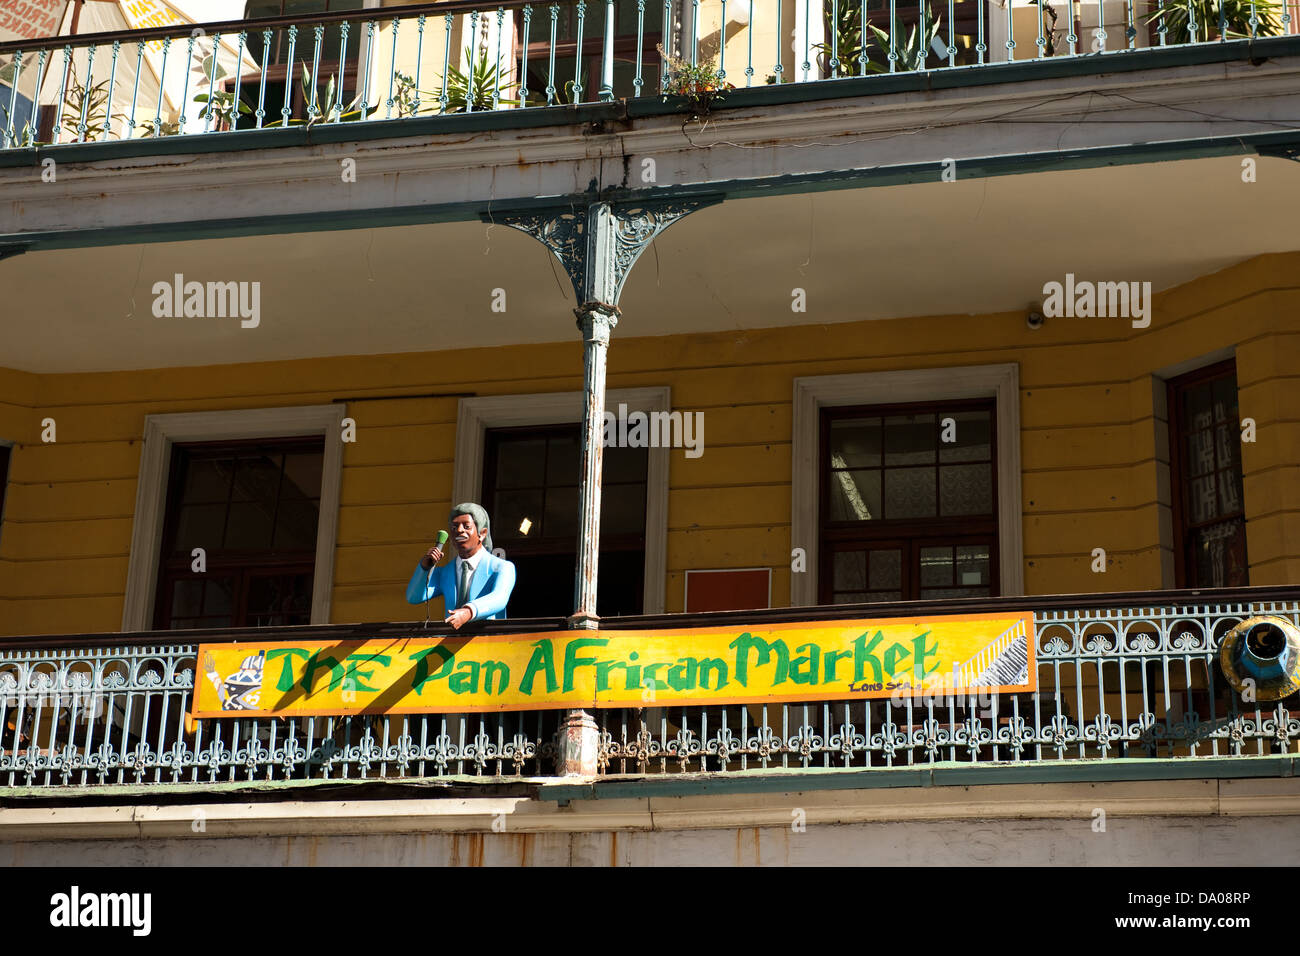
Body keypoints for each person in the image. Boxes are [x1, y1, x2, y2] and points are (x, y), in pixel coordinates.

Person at [405, 502, 516, 628]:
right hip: (452, 639)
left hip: (487, 638)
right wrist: (425, 567)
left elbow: (499, 598)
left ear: (482, 533)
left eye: (467, 526)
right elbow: (414, 597)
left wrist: (469, 611)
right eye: (454, 527)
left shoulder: (501, 567)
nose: (459, 530)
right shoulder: (445, 572)